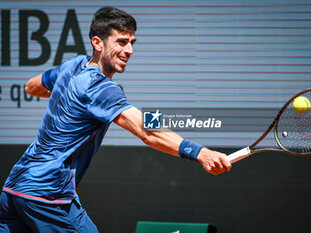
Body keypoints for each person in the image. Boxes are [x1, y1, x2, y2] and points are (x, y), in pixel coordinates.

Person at [0, 7, 231, 232]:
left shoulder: (73, 65)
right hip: (46, 196)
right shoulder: (101, 87)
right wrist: (200, 152)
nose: (129, 50)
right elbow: (148, 130)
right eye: (121, 41)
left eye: (132, 42)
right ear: (97, 43)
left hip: (14, 189)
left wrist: (67, 96)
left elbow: (32, 87)